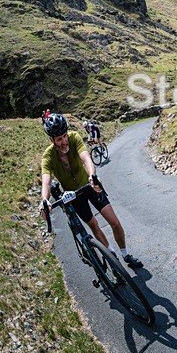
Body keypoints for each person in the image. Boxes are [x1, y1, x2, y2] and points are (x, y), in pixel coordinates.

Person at [40, 114, 142, 268]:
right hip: (74, 196)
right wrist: (45, 200)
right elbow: (46, 181)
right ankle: (111, 255)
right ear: (51, 140)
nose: (64, 141)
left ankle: (125, 254)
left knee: (114, 222)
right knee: (94, 225)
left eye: (64, 136)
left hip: (89, 186)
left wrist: (92, 175)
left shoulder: (74, 138)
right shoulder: (48, 156)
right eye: (59, 139)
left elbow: (86, 158)